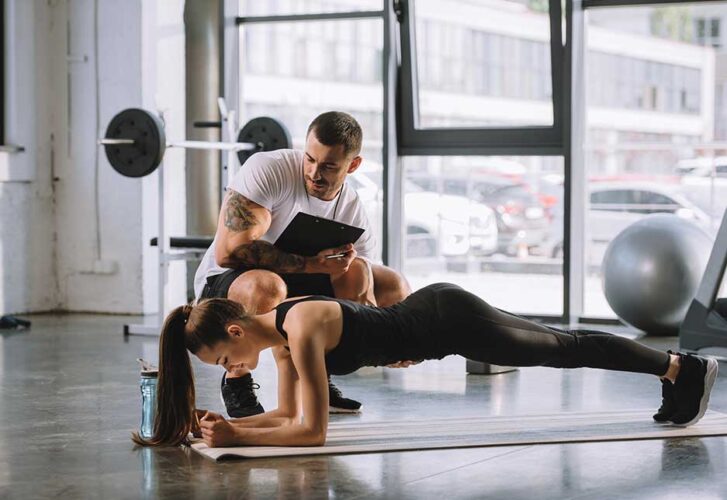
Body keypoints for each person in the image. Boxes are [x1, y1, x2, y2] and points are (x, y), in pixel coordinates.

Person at [133, 279, 719, 448]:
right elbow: (288, 414)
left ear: (236, 330)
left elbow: (311, 433)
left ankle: (681, 369)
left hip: (448, 319)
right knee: (560, 343)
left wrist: (239, 434)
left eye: (224, 359)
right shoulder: (283, 337)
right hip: (438, 315)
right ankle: (678, 371)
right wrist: (227, 428)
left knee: (563, 350)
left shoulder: (301, 325)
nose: (232, 368)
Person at [193, 111, 410, 417]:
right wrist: (312, 265)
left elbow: (365, 289)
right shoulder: (270, 169)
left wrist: (391, 343)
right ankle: (237, 379)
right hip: (227, 283)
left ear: (353, 165)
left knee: (387, 281)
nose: (314, 173)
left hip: (295, 281)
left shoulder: (350, 208)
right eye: (309, 159)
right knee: (266, 287)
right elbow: (228, 252)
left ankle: (319, 377)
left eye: (328, 166)